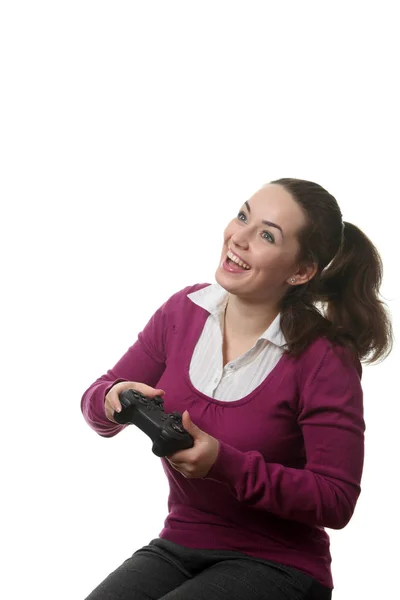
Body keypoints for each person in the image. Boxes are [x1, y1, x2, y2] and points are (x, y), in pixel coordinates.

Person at [81, 178, 393, 600]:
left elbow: (336, 500)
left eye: (266, 235)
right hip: (179, 543)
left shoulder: (325, 358)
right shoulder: (183, 312)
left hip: (279, 563)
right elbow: (100, 394)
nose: (238, 238)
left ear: (300, 272)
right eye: (243, 216)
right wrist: (112, 399)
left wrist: (224, 465)